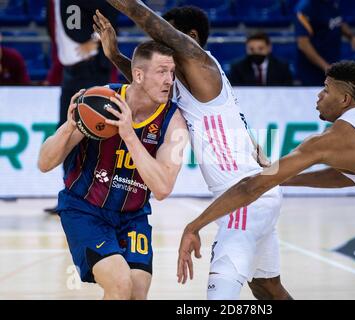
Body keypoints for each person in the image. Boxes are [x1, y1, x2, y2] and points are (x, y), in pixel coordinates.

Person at [178, 61, 355, 300]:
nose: (319, 96)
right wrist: (282, 179)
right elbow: (349, 177)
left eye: (326, 89)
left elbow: (251, 186)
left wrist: (194, 225)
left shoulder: (331, 140)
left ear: (345, 98)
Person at [99, 1, 292, 300]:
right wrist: (115, 56)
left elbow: (146, 18)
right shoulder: (183, 80)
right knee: (268, 288)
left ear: (189, 37)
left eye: (167, 37)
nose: (159, 44)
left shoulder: (202, 64)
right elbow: (148, 81)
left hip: (243, 197)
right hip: (258, 194)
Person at [38, 40, 189, 300]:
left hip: (132, 217)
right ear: (138, 75)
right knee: (120, 284)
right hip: (85, 210)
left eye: (172, 72)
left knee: (137, 292)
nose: (169, 80)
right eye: (162, 71)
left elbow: (163, 189)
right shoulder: (101, 101)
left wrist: (129, 135)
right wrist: (70, 126)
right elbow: (44, 163)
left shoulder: (174, 123)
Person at [45, 0, 118, 214]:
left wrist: (95, 40)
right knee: (65, 131)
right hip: (70, 71)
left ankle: (98, 197)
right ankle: (72, 194)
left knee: (93, 132)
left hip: (90, 69)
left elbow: (109, 16)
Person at [294, 0, 355, 86]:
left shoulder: (332, 2)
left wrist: (351, 36)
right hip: (312, 72)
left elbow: (338, 21)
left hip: (333, 63)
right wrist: (326, 67)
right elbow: (303, 44)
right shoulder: (305, 8)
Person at [228, 32, 293, 86]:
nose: (256, 52)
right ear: (246, 49)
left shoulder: (282, 67)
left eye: (260, 49)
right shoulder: (237, 68)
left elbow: (288, 92)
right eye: (251, 49)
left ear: (269, 48)